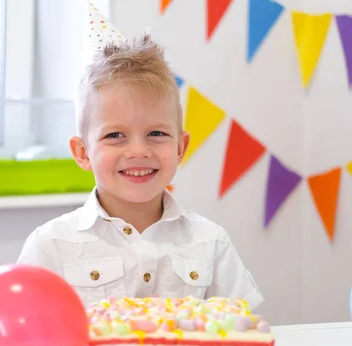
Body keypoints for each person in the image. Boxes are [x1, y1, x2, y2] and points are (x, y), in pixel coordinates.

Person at [17, 31, 263, 309]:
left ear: (180, 148)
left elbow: (243, 327)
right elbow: (26, 335)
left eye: (156, 133)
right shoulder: (51, 245)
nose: (138, 151)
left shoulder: (210, 241)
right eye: (115, 135)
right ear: (83, 153)